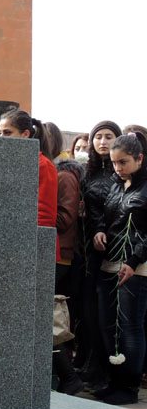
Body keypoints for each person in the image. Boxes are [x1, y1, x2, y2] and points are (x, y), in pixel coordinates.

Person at [91, 132, 147, 405]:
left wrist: (134, 261)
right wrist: (99, 230)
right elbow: (105, 213)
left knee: (129, 328)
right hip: (110, 261)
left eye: (123, 162)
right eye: (114, 163)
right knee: (107, 325)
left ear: (139, 159)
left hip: (136, 266)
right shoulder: (116, 184)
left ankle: (128, 388)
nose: (118, 168)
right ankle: (112, 382)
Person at [76, 120, 122, 386]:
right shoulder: (87, 171)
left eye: (108, 136)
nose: (103, 142)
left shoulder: (121, 172)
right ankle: (89, 362)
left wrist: (101, 229)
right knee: (87, 309)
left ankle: (105, 369)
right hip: (86, 248)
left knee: (106, 311)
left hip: (111, 244)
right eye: (98, 137)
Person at [47, 122, 85, 395]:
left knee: (50, 318)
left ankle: (69, 376)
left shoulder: (63, 176)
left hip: (59, 255)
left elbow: (65, 219)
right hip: (50, 251)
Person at [0, 109, 57, 232]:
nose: (1, 138)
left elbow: (44, 215)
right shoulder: (5, 163)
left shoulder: (43, 165)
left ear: (25, 134)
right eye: (0, 133)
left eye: (7, 133)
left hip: (31, 240)